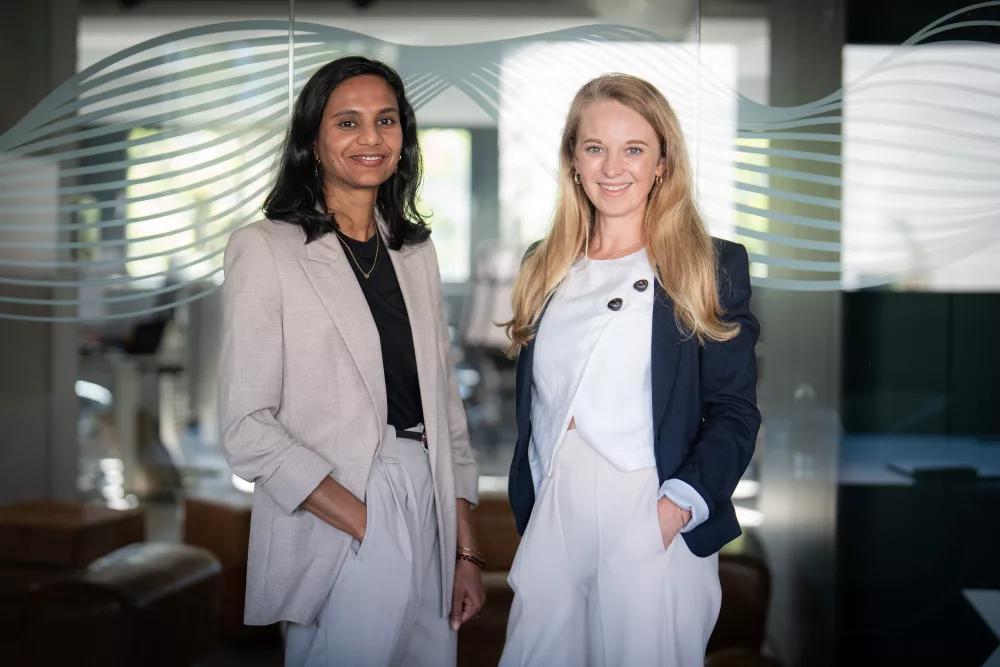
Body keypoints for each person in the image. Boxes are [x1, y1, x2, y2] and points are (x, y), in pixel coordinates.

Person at [218, 56, 485, 667]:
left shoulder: (415, 252)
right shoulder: (265, 250)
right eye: (348, 122)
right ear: (312, 142)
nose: (371, 137)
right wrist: (369, 524)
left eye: (386, 120)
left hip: (429, 493)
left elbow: (446, 413)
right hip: (340, 504)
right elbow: (247, 428)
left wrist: (463, 551)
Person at [499, 74, 761, 667]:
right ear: (573, 159)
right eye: (595, 148)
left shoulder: (710, 264)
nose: (612, 167)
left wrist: (674, 510)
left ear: (663, 161)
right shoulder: (543, 265)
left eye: (634, 149)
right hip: (555, 511)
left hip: (652, 506)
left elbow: (734, 411)